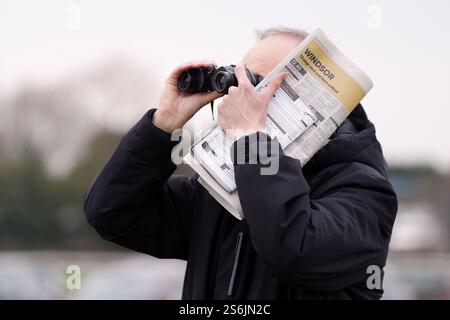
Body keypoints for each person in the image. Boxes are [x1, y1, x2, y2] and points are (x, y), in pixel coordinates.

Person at [84, 27, 398, 299]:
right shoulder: (223, 187)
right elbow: (111, 212)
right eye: (239, 80)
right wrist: (162, 125)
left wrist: (251, 137)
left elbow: (293, 246)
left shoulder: (364, 192)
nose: (239, 95)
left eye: (258, 85)